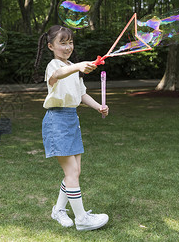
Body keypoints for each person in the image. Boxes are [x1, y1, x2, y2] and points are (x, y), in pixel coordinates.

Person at [33, 25, 110, 231]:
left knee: (75, 171)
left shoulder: (74, 67)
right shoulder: (53, 65)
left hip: (70, 120)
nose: (68, 47)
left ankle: (58, 210)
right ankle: (82, 218)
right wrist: (78, 66)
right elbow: (58, 74)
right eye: (62, 43)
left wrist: (98, 107)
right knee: (72, 172)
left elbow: (81, 94)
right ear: (51, 46)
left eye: (70, 42)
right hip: (56, 121)